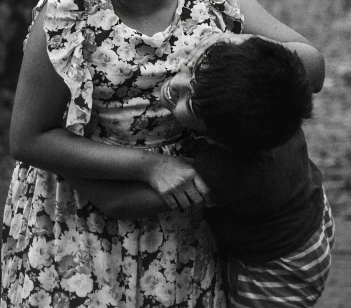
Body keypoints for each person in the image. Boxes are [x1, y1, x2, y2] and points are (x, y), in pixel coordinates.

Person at [2, 0, 325, 307]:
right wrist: (148, 166)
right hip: (78, 225)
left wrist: (238, 47)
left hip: (181, 232)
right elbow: (29, 139)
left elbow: (312, 67)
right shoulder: (67, 13)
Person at [70, 33, 335, 307]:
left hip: (277, 270)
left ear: (220, 138)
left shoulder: (228, 171)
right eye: (195, 68)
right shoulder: (273, 94)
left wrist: (55, 156)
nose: (179, 82)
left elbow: (119, 203)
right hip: (310, 214)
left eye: (190, 102)